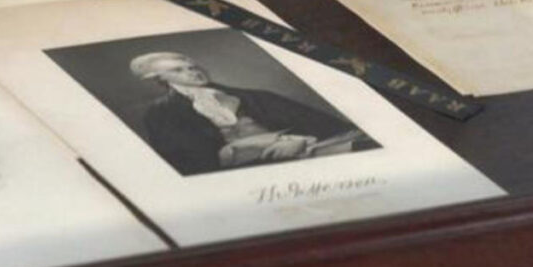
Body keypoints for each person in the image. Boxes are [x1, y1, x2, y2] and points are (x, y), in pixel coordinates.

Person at [129, 52, 375, 175]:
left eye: (192, 66)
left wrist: (294, 141)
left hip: (303, 147)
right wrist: (267, 146)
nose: (193, 72)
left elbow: (321, 123)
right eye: (179, 70)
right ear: (159, 78)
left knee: (363, 147)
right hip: (247, 169)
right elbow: (193, 162)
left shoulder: (255, 96)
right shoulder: (161, 114)